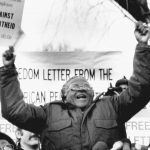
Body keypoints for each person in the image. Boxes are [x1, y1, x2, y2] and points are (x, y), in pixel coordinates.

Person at [0, 21, 150, 150]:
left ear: (92, 93)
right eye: (75, 88)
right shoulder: (48, 113)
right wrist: (7, 70)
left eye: (85, 87)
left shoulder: (112, 106)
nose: (81, 89)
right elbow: (14, 110)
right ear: (64, 96)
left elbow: (141, 90)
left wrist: (143, 46)